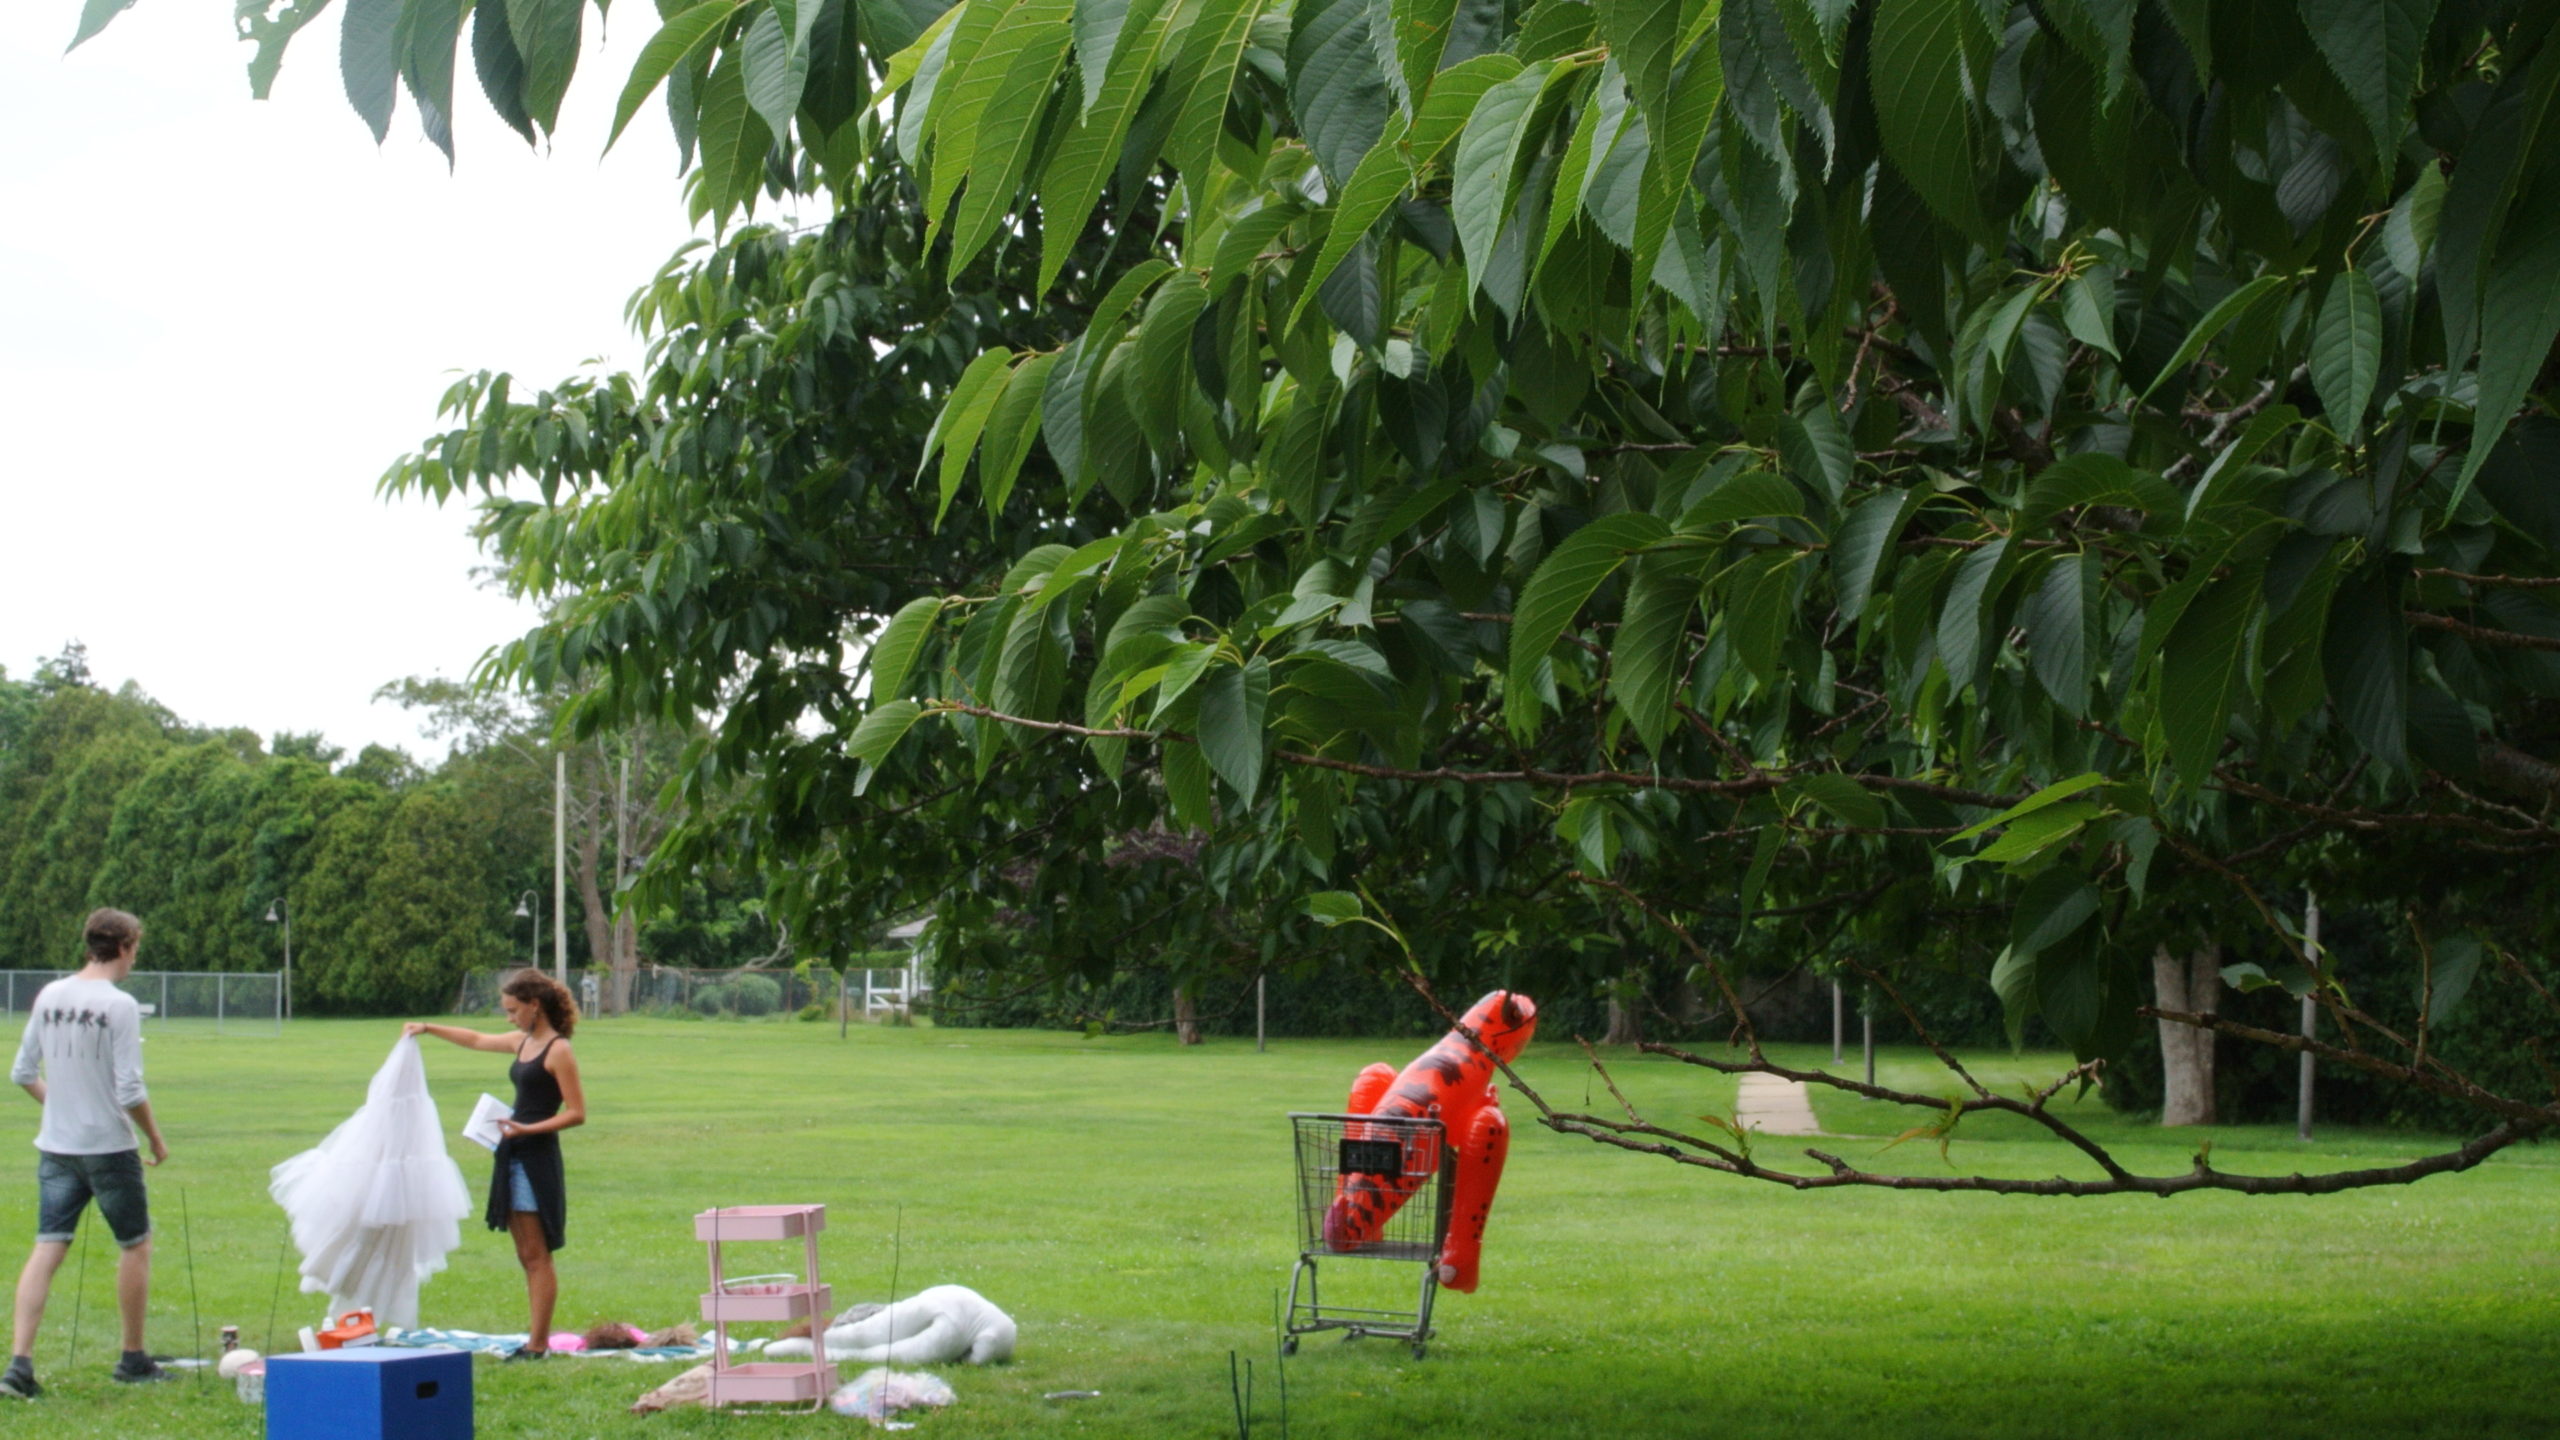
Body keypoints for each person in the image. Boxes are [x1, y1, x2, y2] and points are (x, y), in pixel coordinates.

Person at [4, 908, 172, 1398]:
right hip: (109, 1148)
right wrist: (156, 1140)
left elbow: (21, 1072)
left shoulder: (50, 994)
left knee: (48, 1245)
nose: (134, 958)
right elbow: (129, 1089)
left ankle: (19, 1366)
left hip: (56, 1148)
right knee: (135, 1244)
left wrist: (61, 1105)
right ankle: (133, 1357)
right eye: (135, 948)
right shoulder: (118, 1005)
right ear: (123, 946)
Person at [405, 970, 585, 1359]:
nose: (509, 1018)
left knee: (537, 1256)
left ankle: (538, 1345)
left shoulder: (558, 1050)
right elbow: (476, 1039)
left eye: (513, 1010)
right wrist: (428, 1027)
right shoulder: (524, 1043)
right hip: (513, 1152)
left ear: (534, 1005)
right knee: (526, 1254)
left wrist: (527, 1128)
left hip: (535, 1157)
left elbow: (576, 1113)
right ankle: (534, 1341)